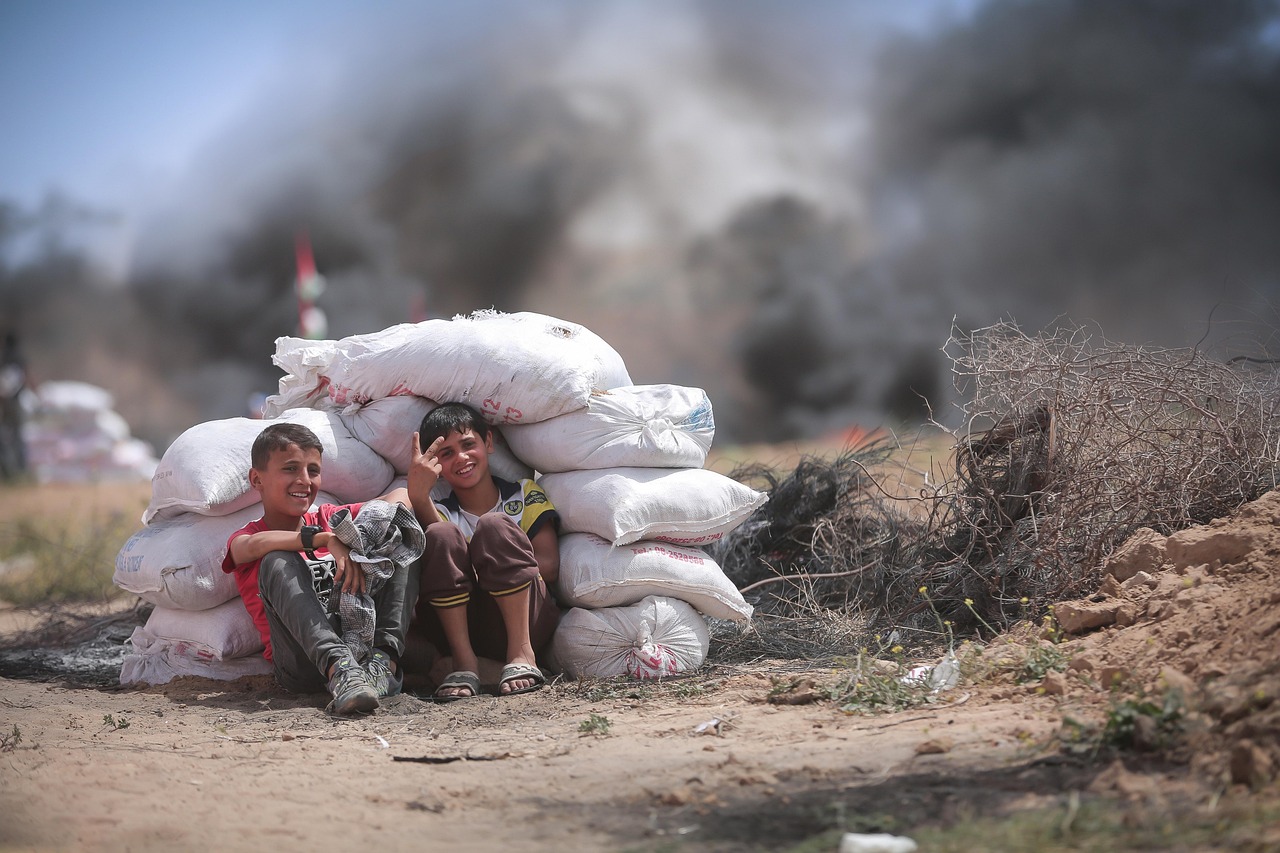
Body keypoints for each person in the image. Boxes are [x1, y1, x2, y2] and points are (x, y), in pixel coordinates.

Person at [222, 422, 424, 715]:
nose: (304, 480)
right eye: (290, 469)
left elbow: (400, 497)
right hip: (302, 665)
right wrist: (322, 539)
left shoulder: (332, 518)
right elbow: (250, 546)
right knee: (276, 558)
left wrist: (361, 537)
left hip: (361, 645)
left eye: (313, 471)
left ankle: (383, 665)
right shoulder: (250, 537)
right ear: (257, 479)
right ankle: (341, 671)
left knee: (399, 534)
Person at [407, 402, 561, 701]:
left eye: (468, 444)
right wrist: (417, 495)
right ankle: (466, 663)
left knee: (494, 526)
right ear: (434, 464)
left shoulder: (523, 494)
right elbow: (441, 562)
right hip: (461, 627)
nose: (461, 458)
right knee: (438, 534)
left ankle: (520, 655)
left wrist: (490, 566)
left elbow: (550, 565)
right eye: (446, 453)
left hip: (524, 621)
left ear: (488, 442)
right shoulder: (440, 513)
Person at [0, 330, 28, 481]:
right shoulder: (18, 358)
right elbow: (25, 377)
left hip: (9, 404)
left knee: (10, 436)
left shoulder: (6, 358)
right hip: (14, 403)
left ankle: (11, 471)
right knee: (16, 437)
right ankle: (17, 469)